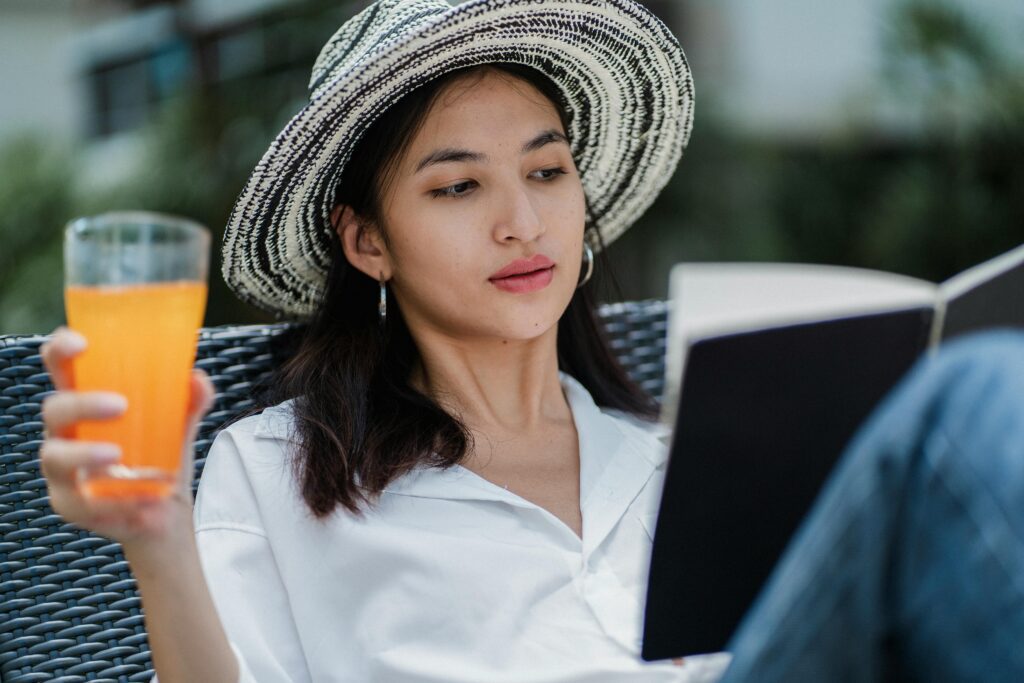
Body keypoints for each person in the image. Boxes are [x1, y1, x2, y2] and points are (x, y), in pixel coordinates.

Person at [36, 0, 1024, 681]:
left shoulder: (676, 457)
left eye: (547, 173)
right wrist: (156, 546)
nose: (522, 221)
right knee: (972, 394)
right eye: (458, 186)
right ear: (367, 239)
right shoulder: (280, 470)